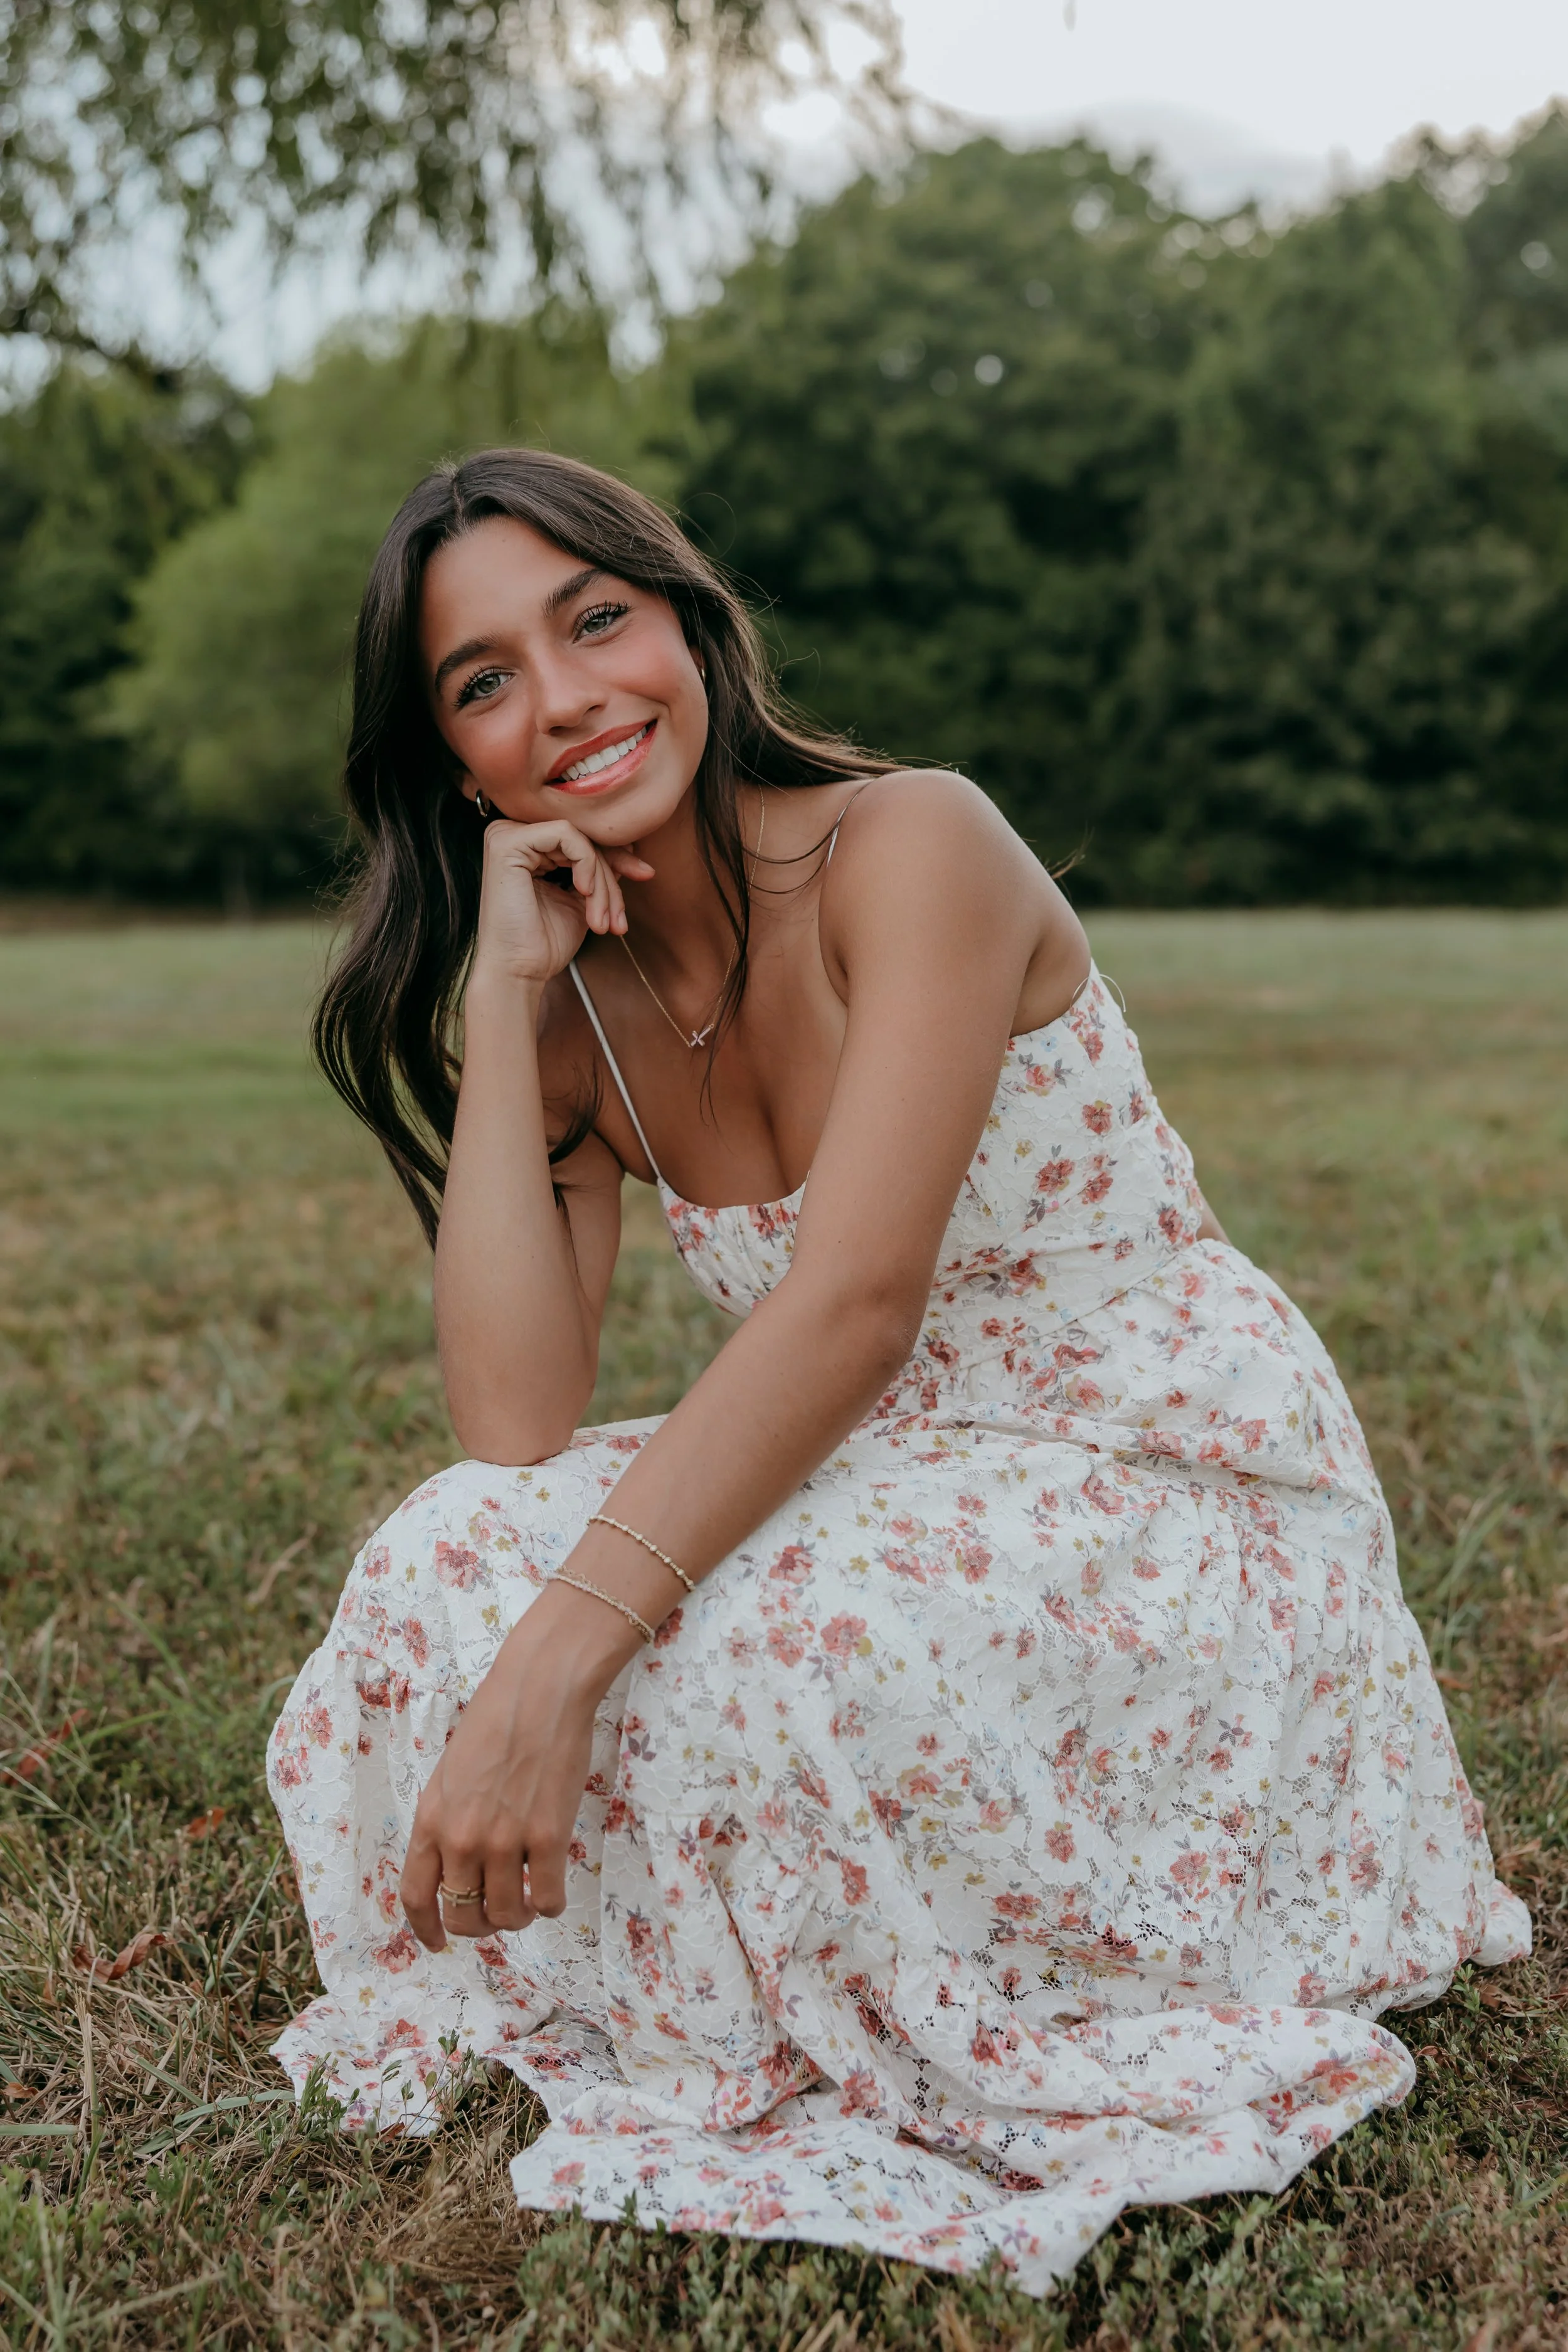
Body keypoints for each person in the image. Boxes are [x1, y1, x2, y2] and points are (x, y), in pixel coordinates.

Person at [268, 448, 1528, 2297]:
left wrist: (557, 1663)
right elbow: (508, 1421)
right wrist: (500, 999)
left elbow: (853, 1302)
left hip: (1158, 1471)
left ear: (688, 620)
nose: (565, 701)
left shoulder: (912, 843)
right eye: (485, 681)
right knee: (436, 1554)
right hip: (896, 1471)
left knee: (730, 1644)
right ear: (452, 761)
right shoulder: (580, 997)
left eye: (594, 619)